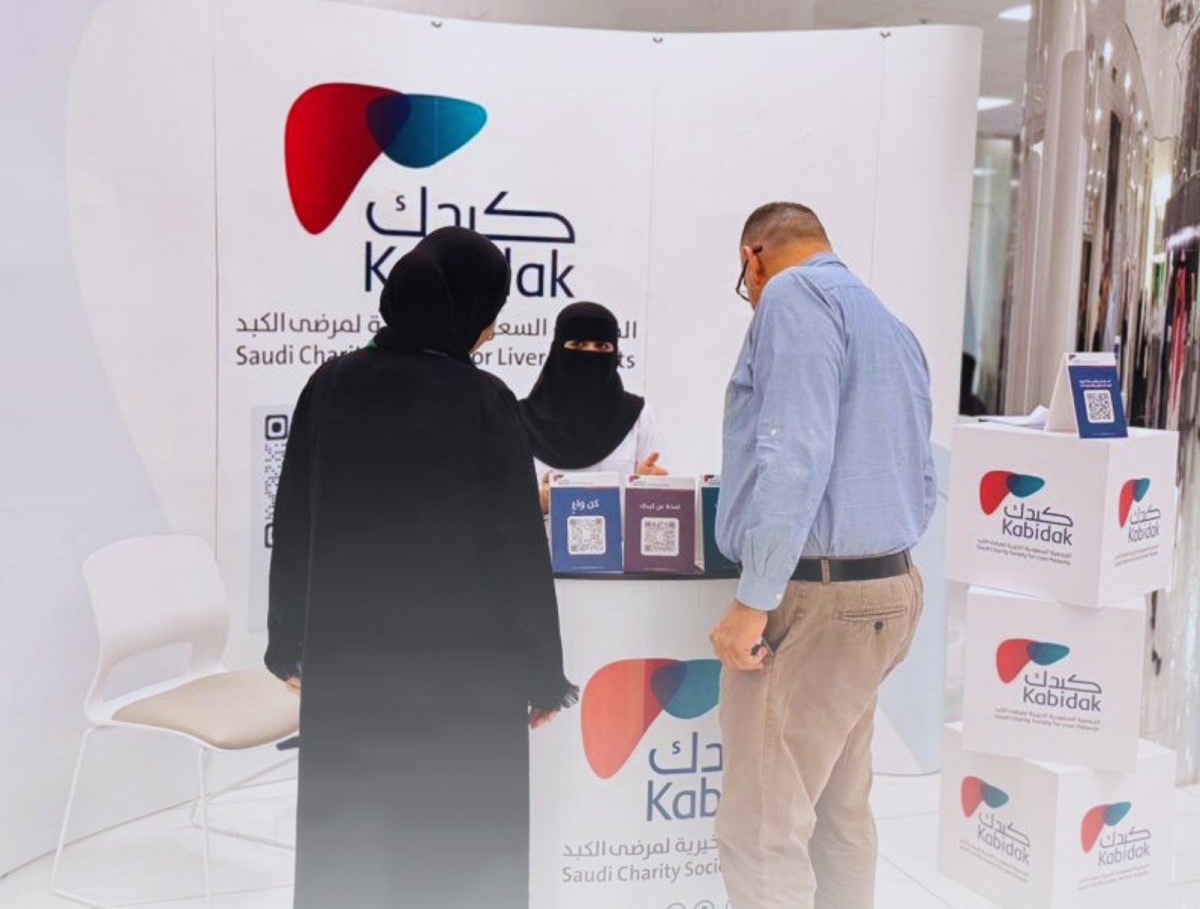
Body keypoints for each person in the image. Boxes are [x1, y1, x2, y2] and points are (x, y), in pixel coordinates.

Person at [265, 226, 577, 909]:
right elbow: (516, 548)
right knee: (462, 846)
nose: (491, 328)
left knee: (350, 844)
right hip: (463, 678)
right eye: (491, 310)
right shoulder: (484, 400)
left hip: (350, 666)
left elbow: (294, 520)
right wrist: (541, 674)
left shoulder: (330, 383)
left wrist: (287, 640)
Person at [709, 203, 934, 909]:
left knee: (762, 826)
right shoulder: (889, 325)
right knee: (838, 810)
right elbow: (924, 474)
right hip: (888, 586)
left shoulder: (791, 295)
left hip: (816, 597)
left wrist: (754, 598)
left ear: (753, 258)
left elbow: (793, 455)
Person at [518, 301, 665, 514]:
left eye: (602, 347)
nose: (589, 354)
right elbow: (498, 504)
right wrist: (537, 502)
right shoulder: (519, 419)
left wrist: (647, 489)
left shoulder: (637, 416)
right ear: (557, 349)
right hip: (539, 536)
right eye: (578, 344)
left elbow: (647, 509)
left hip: (618, 537)